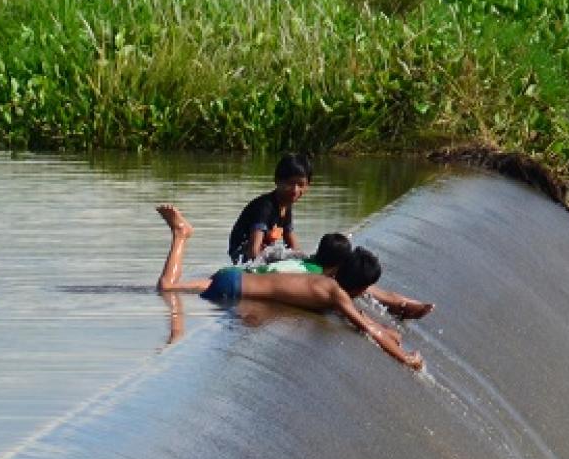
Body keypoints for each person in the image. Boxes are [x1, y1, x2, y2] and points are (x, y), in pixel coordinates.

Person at [155, 206, 422, 370]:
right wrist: (404, 357)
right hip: (233, 290)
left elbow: (358, 317)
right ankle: (180, 235)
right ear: (359, 286)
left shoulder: (326, 284)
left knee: (170, 290)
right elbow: (367, 328)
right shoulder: (335, 292)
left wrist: (388, 331)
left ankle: (181, 237)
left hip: (234, 276)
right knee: (169, 290)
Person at [253, 232, 436, 321]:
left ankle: (402, 304)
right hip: (262, 286)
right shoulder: (317, 278)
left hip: (256, 277)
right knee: (362, 288)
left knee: (364, 288)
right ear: (337, 266)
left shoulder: (309, 262)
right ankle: (402, 304)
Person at [229, 155, 312, 264]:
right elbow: (253, 252)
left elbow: (294, 247)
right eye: (290, 183)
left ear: (308, 186)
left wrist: (305, 262)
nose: (295, 190)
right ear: (277, 181)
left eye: (301, 185)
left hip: (260, 251)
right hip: (243, 253)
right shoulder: (265, 207)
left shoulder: (286, 206)